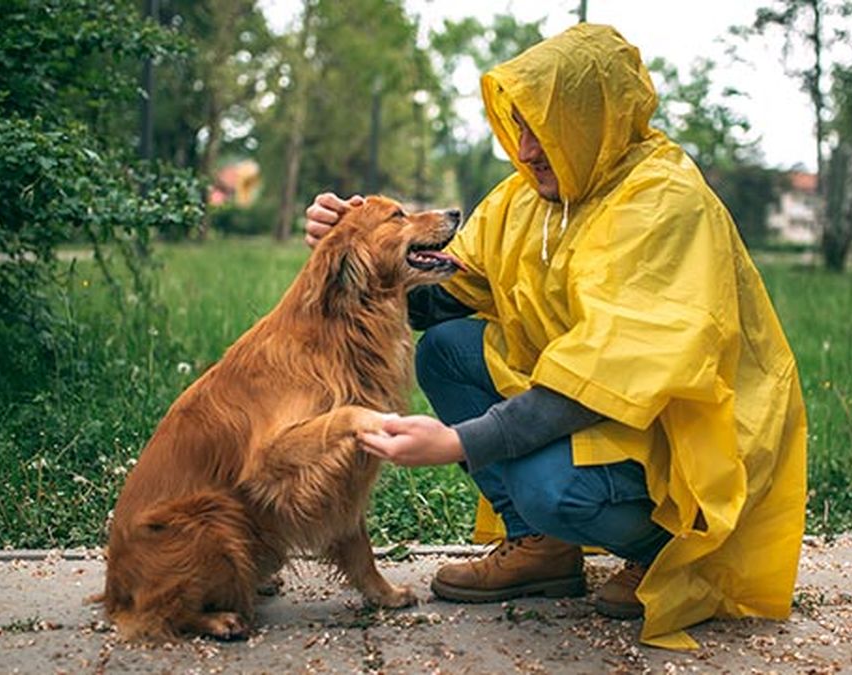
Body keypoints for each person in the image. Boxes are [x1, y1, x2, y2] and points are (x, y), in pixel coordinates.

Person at [303, 23, 807, 650]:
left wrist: (460, 440)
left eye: (545, 128)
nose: (526, 148)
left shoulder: (663, 203)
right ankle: (542, 550)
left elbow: (600, 383)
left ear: (596, 121)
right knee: (449, 351)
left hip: (678, 437)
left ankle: (668, 550)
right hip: (593, 401)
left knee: (552, 487)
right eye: (519, 125)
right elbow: (440, 302)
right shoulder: (526, 197)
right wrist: (359, 247)